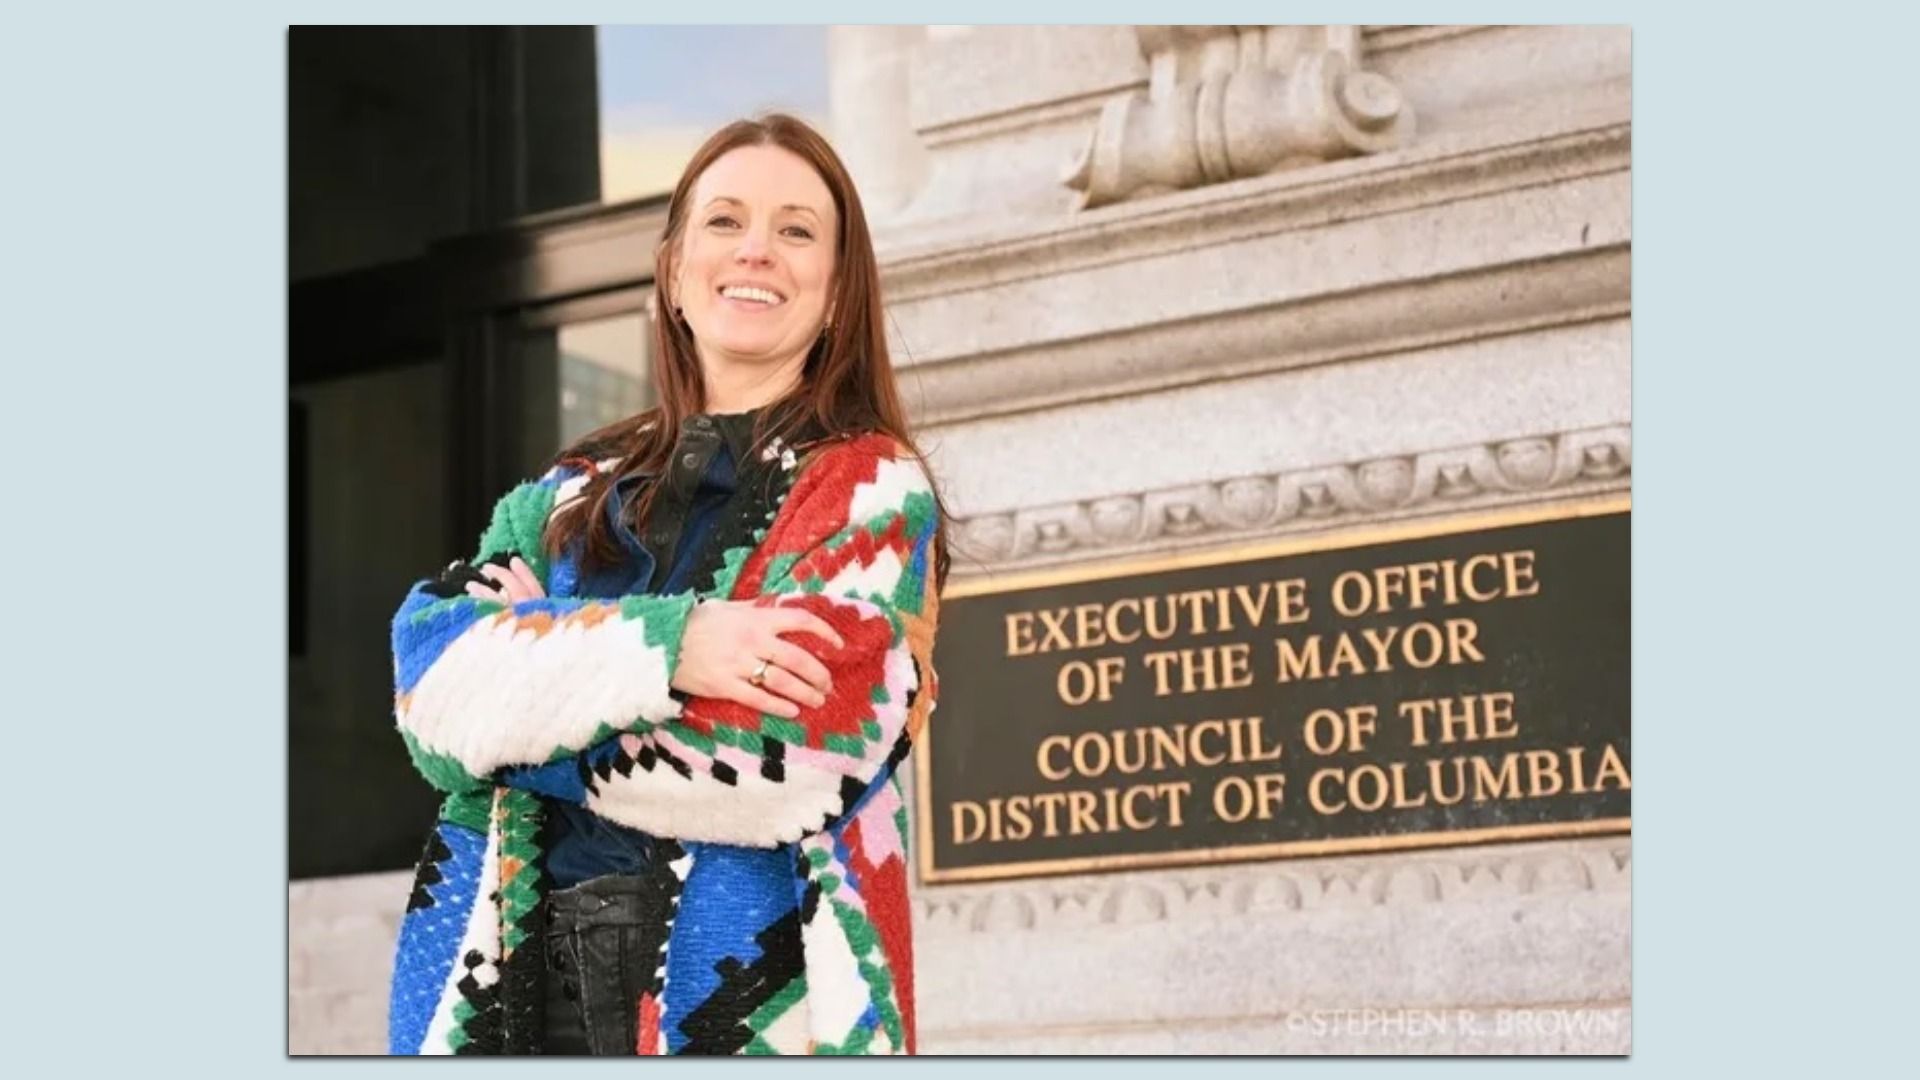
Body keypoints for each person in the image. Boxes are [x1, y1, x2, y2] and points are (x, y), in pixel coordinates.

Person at [385, 113, 947, 1056]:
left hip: (750, 999)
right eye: (724, 222)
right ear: (677, 270)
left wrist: (531, 695)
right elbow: (428, 692)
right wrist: (673, 648)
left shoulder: (871, 489)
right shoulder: (568, 490)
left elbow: (787, 763)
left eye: (797, 229)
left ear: (840, 289)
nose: (757, 250)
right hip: (508, 984)